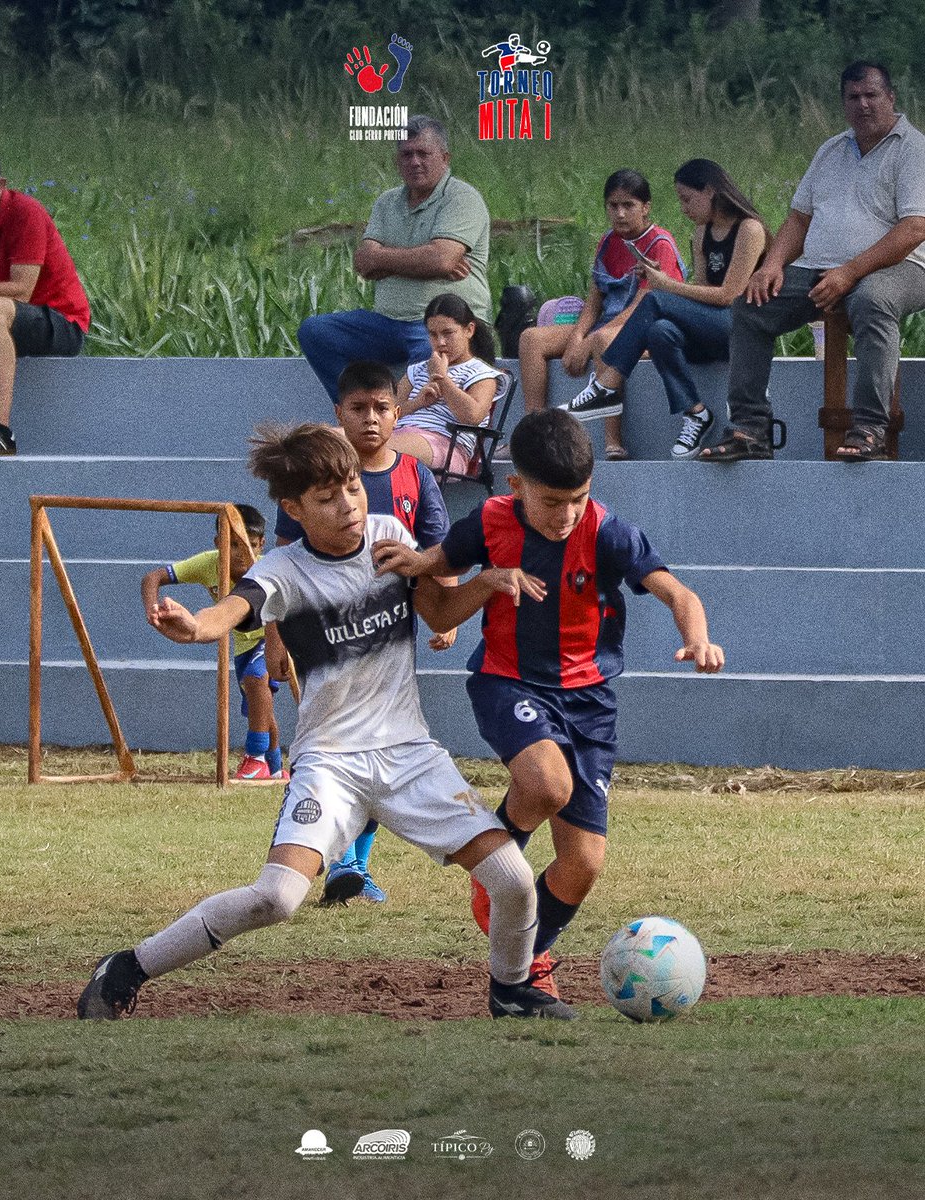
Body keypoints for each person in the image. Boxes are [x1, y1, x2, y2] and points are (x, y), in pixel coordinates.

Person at [78, 424, 575, 1023]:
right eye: (327, 498)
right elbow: (230, 610)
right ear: (293, 509)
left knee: (513, 878)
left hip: (408, 752)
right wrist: (195, 627)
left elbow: (438, 607)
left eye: (353, 489)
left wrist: (486, 584)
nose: (349, 507)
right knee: (277, 898)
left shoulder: (390, 536)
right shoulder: (282, 573)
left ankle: (512, 993)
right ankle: (128, 966)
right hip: (331, 763)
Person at [373, 409, 724, 1002]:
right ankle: (494, 867)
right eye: (552, 501)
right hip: (508, 681)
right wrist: (419, 565)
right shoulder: (488, 521)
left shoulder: (608, 532)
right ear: (516, 486)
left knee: (583, 864)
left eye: (577, 500)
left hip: (590, 703)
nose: (566, 515)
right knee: (546, 785)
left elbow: (676, 591)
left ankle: (527, 958)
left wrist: (698, 636)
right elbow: (441, 564)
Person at [269, 360, 454, 904]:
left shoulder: (413, 475)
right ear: (339, 414)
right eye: (358, 409)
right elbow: (282, 559)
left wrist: (441, 611)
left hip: (387, 624)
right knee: (335, 737)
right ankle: (338, 854)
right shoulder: (314, 475)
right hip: (322, 631)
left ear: (398, 412)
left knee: (379, 736)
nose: (370, 419)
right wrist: (277, 637)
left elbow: (434, 550)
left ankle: (356, 863)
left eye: (381, 408)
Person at [700, 61, 925, 463]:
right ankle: (750, 430)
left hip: (903, 267)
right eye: (853, 97)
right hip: (821, 267)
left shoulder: (913, 149)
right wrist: (771, 265)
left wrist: (850, 273)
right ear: (843, 104)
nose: (864, 105)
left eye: (872, 95)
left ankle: (871, 429)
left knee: (872, 299)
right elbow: (799, 219)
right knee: (752, 306)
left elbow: (913, 229)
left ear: (890, 97)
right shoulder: (831, 149)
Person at [560, 160, 769, 460]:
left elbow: (729, 295)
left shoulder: (749, 229)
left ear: (710, 191)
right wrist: (663, 280)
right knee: (659, 331)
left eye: (687, 199)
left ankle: (607, 386)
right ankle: (695, 412)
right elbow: (701, 291)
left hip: (742, 330)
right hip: (712, 329)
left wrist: (665, 286)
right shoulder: (701, 234)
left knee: (654, 300)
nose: (683, 208)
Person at [298, 116, 491, 404]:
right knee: (315, 331)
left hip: (442, 326)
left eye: (423, 153)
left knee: (431, 353)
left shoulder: (462, 198)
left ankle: (398, 425)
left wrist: (387, 261)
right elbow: (364, 263)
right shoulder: (386, 202)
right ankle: (358, 411)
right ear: (397, 161)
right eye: (406, 154)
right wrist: (423, 261)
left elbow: (441, 259)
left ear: (445, 158)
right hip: (386, 324)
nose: (415, 161)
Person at [518, 169, 685, 459]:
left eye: (628, 205)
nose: (619, 214)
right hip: (608, 322)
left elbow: (642, 307)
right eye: (613, 206)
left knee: (604, 340)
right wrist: (577, 337)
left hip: (650, 328)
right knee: (531, 338)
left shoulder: (660, 244)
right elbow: (595, 298)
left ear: (646, 207)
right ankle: (534, 430)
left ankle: (613, 441)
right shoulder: (609, 241)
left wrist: (591, 339)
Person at [141, 505, 285, 783]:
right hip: (242, 645)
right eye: (232, 545)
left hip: (272, 636)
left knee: (257, 680)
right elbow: (152, 577)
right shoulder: (209, 564)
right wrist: (152, 610)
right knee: (260, 703)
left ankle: (254, 759)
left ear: (261, 544)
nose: (242, 555)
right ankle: (275, 765)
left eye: (250, 546)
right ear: (218, 544)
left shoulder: (268, 568)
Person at [0, 147, 89, 457]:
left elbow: (22, 290)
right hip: (0, 322)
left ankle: (0, 432)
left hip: (59, 322)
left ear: (1, 185)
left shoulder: (26, 212)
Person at [390, 292, 507, 476]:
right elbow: (387, 413)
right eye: (433, 335)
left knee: (373, 449)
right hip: (399, 435)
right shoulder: (417, 370)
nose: (440, 342)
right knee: (334, 440)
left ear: (469, 330)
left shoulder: (482, 374)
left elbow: (473, 416)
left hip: (446, 444)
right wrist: (418, 402)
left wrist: (442, 379)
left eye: (448, 333)